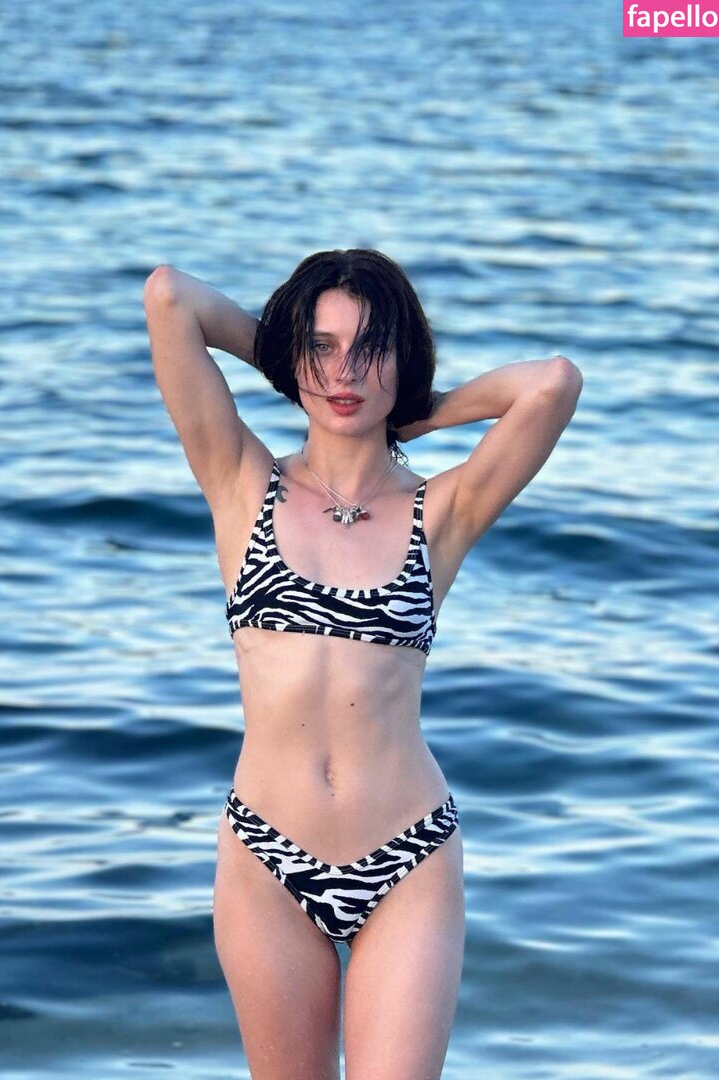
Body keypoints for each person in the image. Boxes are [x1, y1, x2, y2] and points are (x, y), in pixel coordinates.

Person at [143, 249, 582, 1080]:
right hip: (267, 858)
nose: (346, 371)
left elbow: (553, 384)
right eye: (323, 346)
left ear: (404, 359)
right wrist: (292, 365)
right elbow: (171, 298)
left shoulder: (442, 510)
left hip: (407, 857)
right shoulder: (241, 483)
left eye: (370, 349)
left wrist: (420, 412)